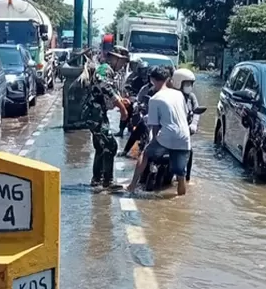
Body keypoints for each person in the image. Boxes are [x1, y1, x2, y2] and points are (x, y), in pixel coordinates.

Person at [127, 66, 191, 196]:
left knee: (145, 154)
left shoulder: (155, 99)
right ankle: (181, 201)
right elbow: (184, 115)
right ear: (168, 79)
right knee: (181, 175)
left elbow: (154, 126)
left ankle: (132, 185)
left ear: (151, 80)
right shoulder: (179, 94)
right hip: (184, 138)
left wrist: (155, 140)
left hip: (166, 136)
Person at [78, 45, 130, 187]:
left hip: (97, 112)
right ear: (115, 59)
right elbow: (105, 87)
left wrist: (120, 100)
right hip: (95, 114)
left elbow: (109, 90)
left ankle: (97, 180)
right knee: (111, 145)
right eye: (122, 62)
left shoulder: (108, 71)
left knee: (101, 146)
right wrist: (122, 108)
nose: (123, 66)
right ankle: (108, 182)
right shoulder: (105, 69)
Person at [171, 68, 200, 181]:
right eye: (187, 84)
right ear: (179, 82)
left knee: (190, 151)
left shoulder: (191, 97)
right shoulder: (170, 95)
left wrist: (194, 124)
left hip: (185, 131)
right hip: (169, 129)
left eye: (191, 84)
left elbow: (197, 111)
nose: (190, 86)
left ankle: (186, 178)